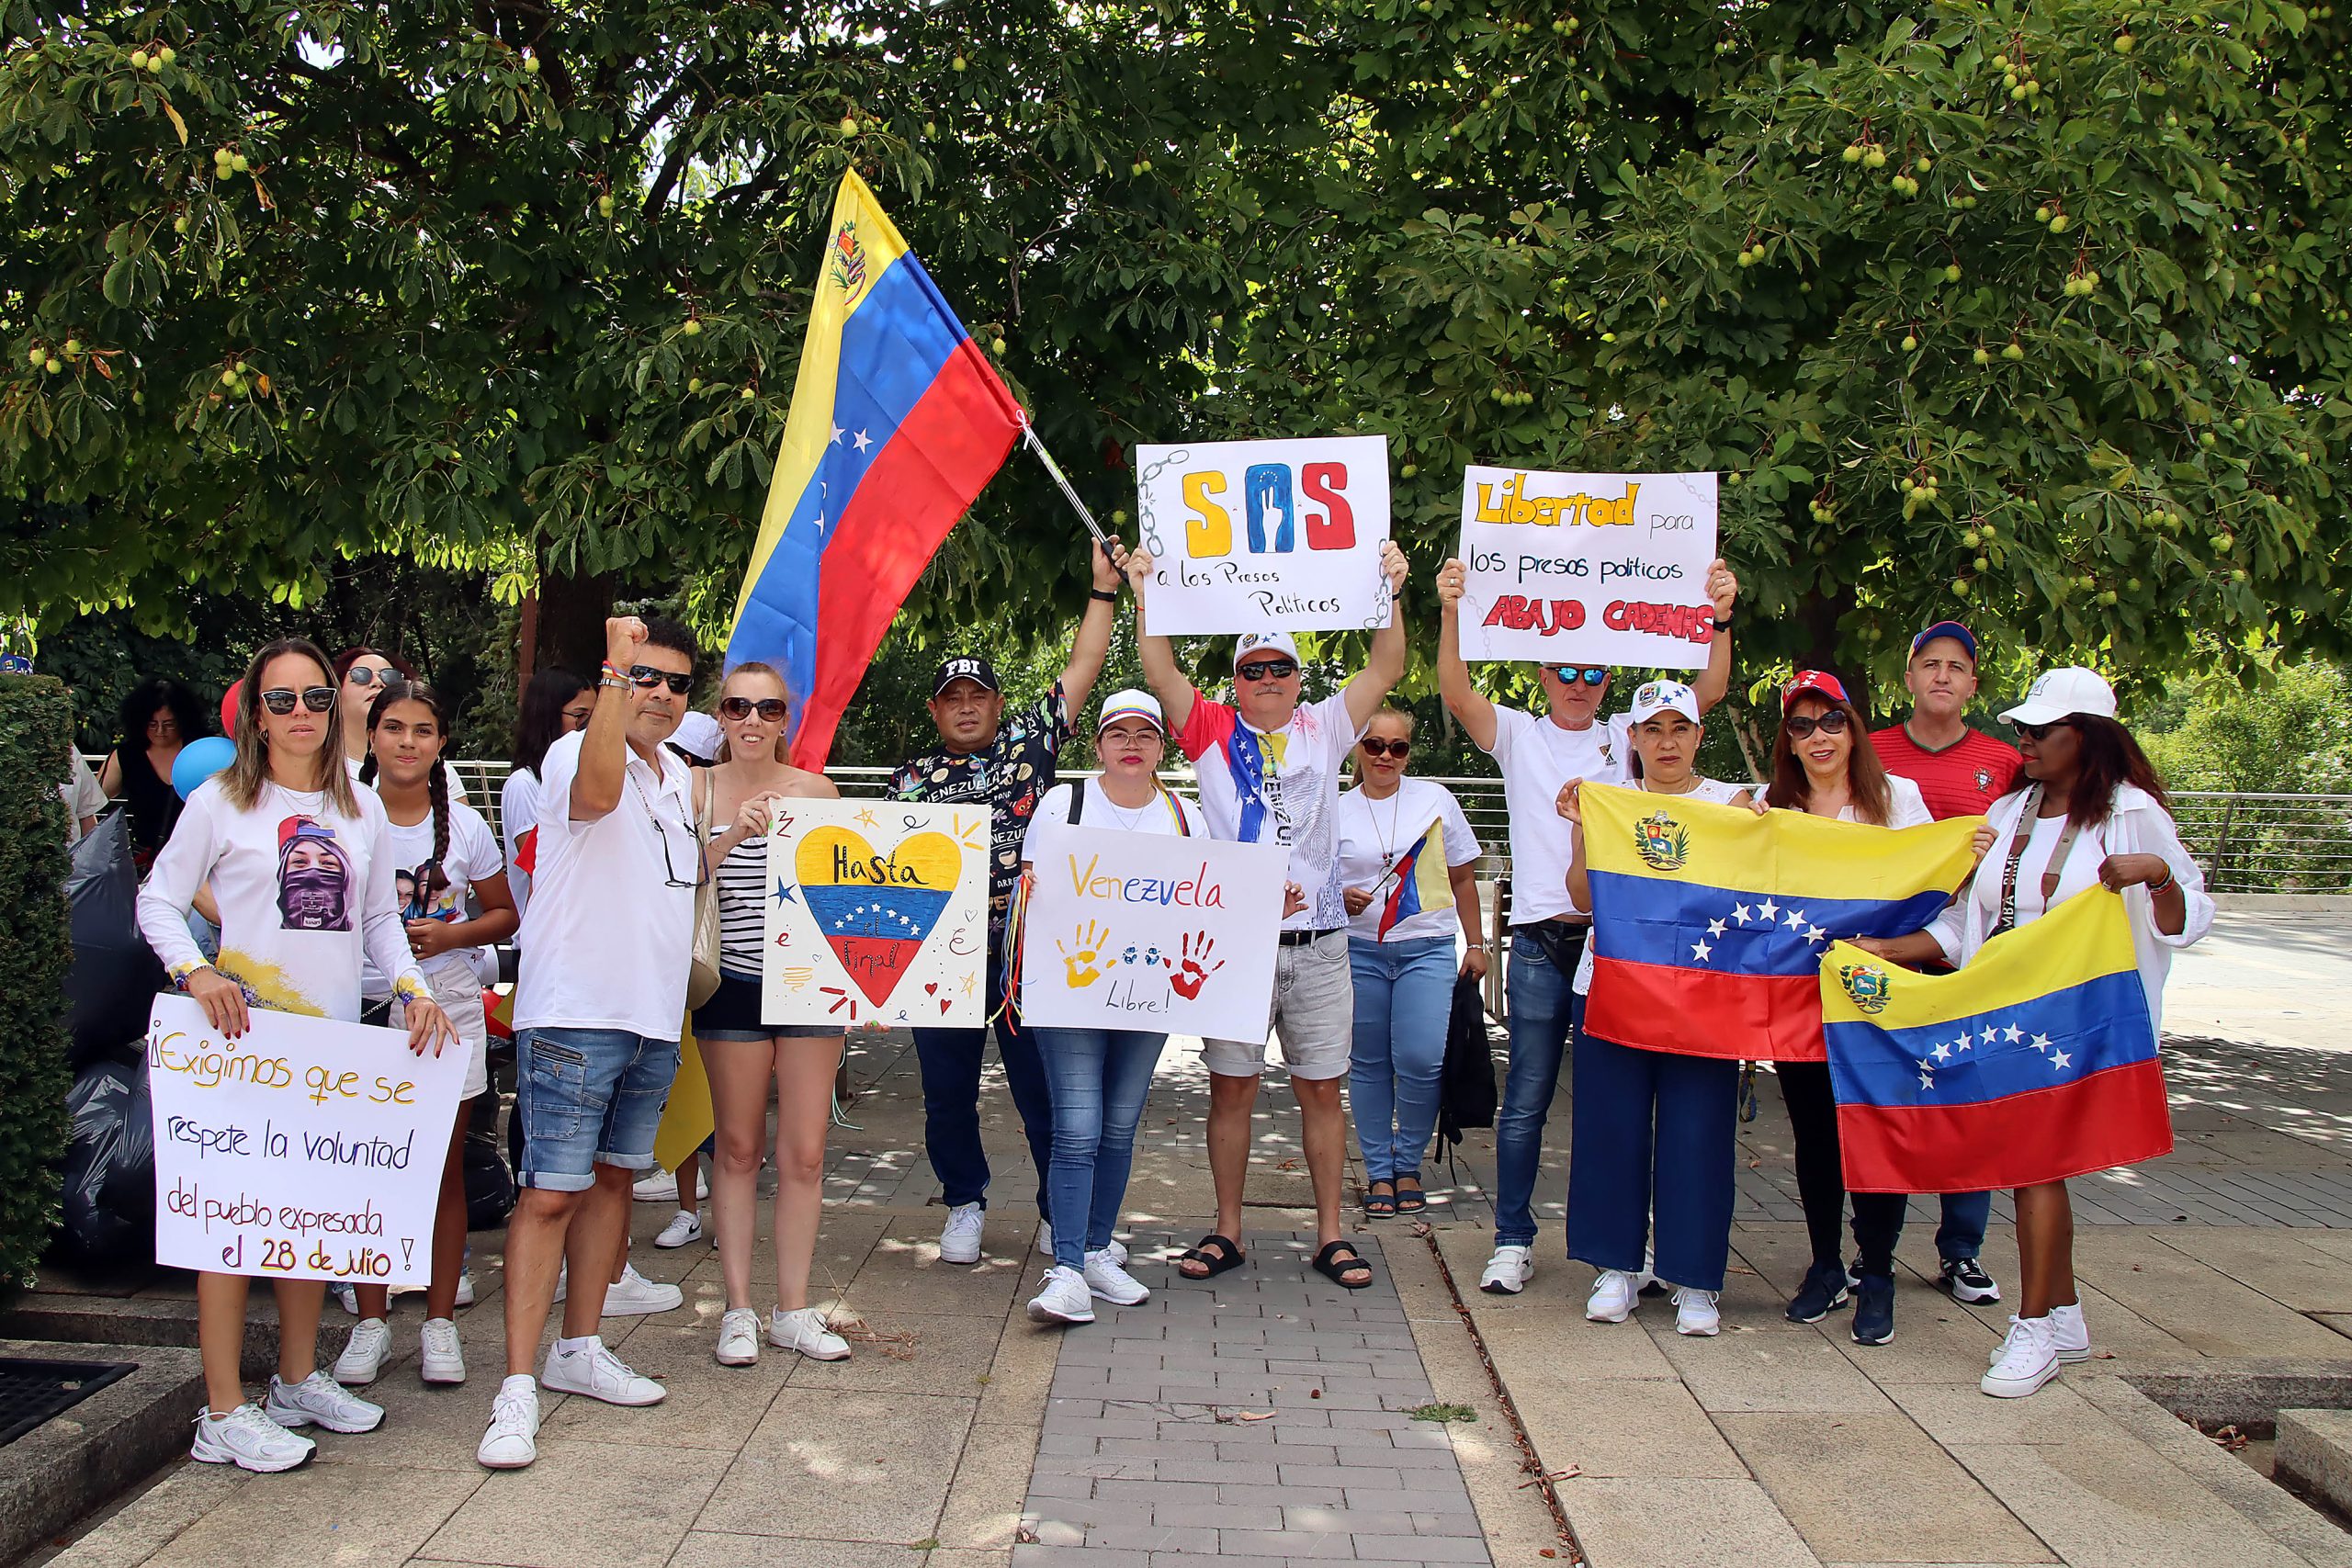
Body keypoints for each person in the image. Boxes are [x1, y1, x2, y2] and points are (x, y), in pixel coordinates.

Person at [134, 638, 458, 1472]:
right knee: (231, 1225)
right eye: (282, 700)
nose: (302, 715)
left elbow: (381, 919)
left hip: (330, 1046)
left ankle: (294, 1378)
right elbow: (159, 901)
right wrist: (198, 970)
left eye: (316, 697)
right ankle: (222, 1410)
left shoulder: (363, 809)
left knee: (307, 1213)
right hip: (240, 1044)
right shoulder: (218, 801)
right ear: (254, 712)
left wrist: (414, 987)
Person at [1851, 668, 2211, 1397]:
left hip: (2086, 1023)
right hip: (2008, 1015)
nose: (2027, 740)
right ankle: (2066, 1312)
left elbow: (2189, 917)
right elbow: (1971, 922)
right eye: (2025, 728)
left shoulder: (2131, 811)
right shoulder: (2012, 808)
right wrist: (1889, 951)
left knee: (2035, 1161)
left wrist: (2159, 876)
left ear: (2090, 736)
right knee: (2030, 1162)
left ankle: (2036, 1324)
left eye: (2044, 730)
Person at [1432, 555, 1741, 1295]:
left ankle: (1637, 1251)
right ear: (1542, 673)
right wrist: (1450, 610)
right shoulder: (1516, 733)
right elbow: (1455, 690)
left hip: (1624, 948)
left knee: (1624, 1104)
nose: (1579, 683)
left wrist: (1721, 616)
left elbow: (1709, 691)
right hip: (1542, 943)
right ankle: (1512, 1239)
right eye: (1565, 670)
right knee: (1529, 1099)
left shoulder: (1630, 737)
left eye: (1594, 673)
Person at [1125, 540, 1410, 1292]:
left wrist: (1391, 589)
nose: (1268, 680)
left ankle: (1330, 1234)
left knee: (1322, 1088)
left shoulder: (1325, 725)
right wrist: (1146, 588)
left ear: (1297, 678)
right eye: (1253, 669)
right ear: (1237, 682)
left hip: (1319, 945)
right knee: (1232, 1087)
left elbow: (1385, 668)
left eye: (1280, 667)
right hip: (1237, 946)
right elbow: (1161, 672)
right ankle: (1228, 1227)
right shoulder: (1213, 728)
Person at [478, 615, 700, 1470]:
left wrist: (732, 834)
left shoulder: (678, 774)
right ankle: (517, 1386)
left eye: (677, 683)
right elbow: (598, 796)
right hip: (575, 1011)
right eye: (646, 677)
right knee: (549, 1194)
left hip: (650, 1016)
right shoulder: (575, 751)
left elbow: (668, 877)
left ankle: (579, 1348)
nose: (661, 695)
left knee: (614, 1182)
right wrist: (612, 666)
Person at [889, 541, 1127, 1265]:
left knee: (1042, 1088)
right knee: (945, 1090)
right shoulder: (909, 778)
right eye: (952, 698)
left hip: (1028, 943)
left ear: (997, 703)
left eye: (978, 696)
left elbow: (1083, 670)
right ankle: (963, 1201)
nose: (966, 707)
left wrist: (1103, 591)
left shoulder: (1029, 741)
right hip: (941, 949)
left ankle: (1062, 1213)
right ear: (936, 710)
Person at [1557, 680, 1757, 1337]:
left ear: (1700, 736)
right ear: (1633, 740)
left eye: (1679, 728)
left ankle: (1694, 1277)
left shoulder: (1732, 802)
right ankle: (1615, 1266)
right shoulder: (1610, 799)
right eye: (1652, 729)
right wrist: (1587, 828)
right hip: (1614, 983)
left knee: (1697, 1131)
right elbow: (1582, 895)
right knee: (1611, 1127)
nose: (1666, 741)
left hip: (1704, 992)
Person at [333, 682, 519, 1388]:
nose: (408, 741)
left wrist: (451, 933)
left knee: (442, 1174)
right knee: (366, 1171)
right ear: (371, 735)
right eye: (394, 727)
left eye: (423, 729)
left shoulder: (465, 826)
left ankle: (441, 1323)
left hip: (446, 1009)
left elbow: (506, 914)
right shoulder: (341, 813)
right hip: (361, 1008)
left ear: (442, 742)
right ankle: (372, 1321)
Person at [1020, 691, 1211, 1325]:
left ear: (1162, 746)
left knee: (1119, 1126)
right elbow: (1031, 882)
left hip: (1147, 993)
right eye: (1117, 732)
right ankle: (1068, 1267)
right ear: (1097, 744)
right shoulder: (1063, 803)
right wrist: (1027, 885)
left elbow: (1215, 895)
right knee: (1077, 1124)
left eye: (1146, 734)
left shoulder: (1185, 816)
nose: (1132, 743)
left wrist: (1274, 897)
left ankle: (1098, 1250)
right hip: (1071, 991)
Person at [1760, 671, 1936, 1347]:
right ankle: (1826, 1263)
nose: (1817, 736)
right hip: (1800, 997)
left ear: (1853, 725)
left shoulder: (1900, 800)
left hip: (1876, 1001)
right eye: (1801, 725)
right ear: (1789, 740)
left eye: (1829, 719)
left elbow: (1935, 892)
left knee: (1875, 1132)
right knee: (1815, 1135)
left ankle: (1880, 1270)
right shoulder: (1770, 808)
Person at [694, 663, 853, 1367]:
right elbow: (672, 879)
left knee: (807, 1152)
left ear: (787, 720)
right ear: (721, 716)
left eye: (768, 708)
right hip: (731, 981)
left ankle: (793, 1307)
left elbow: (850, 888)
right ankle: (738, 1307)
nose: (752, 719)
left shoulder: (818, 790)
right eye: (738, 706)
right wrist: (730, 836)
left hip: (810, 984)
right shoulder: (691, 788)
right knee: (735, 1147)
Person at [1868, 620, 2022, 1306]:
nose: (1941, 676)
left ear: (1973, 684)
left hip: (1971, 955)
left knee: (1967, 1100)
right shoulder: (1869, 751)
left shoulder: (2004, 762)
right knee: (1886, 1099)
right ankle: (1873, 1252)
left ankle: (1961, 1250)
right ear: (1907, 677)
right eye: (1928, 663)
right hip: (1884, 950)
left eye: (1956, 667)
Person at [1335, 708, 1485, 1219]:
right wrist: (1341, 897)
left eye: (1397, 747)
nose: (1385, 757)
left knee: (1422, 1060)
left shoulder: (1434, 799)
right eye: (1375, 745)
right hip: (1359, 949)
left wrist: (1478, 943)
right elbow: (1312, 885)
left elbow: (1463, 877)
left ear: (1408, 752)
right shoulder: (1335, 809)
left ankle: (1409, 1164)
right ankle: (1379, 1170)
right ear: (1358, 747)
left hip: (1427, 945)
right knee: (1370, 1064)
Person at [501, 669, 594, 929]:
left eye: (595, 717)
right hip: (542, 936)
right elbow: (540, 866)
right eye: (580, 716)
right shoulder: (525, 785)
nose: (589, 727)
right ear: (547, 716)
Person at [100, 676, 206, 864]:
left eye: (169, 724)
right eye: (152, 724)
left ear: (184, 721)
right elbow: (92, 801)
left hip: (201, 859)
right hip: (147, 863)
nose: (160, 731)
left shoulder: (204, 750)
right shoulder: (127, 755)